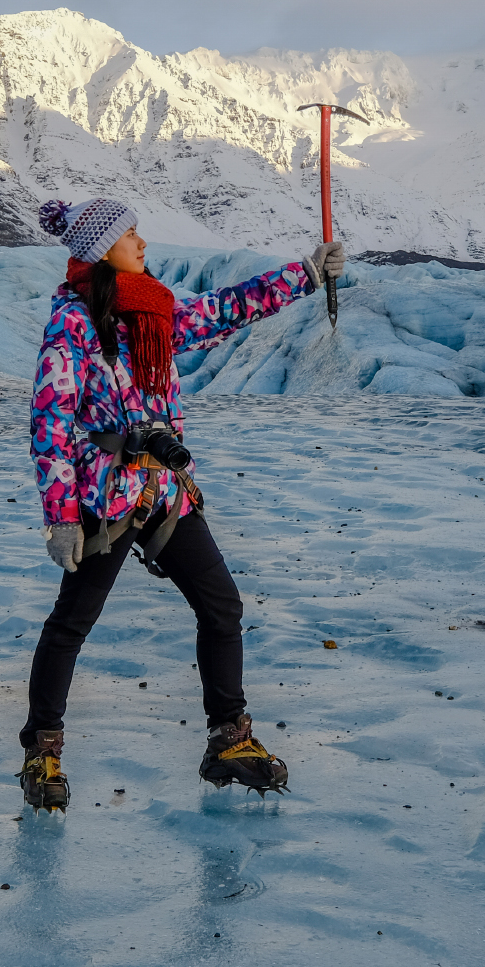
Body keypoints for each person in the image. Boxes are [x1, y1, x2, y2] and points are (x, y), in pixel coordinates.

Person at [19, 196, 345, 809]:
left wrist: (304, 273)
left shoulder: (155, 312)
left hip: (164, 491)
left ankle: (228, 740)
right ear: (101, 251)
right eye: (131, 236)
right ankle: (43, 753)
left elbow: (224, 311)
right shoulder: (73, 323)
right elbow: (51, 424)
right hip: (109, 497)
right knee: (72, 624)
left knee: (221, 605)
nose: (143, 244)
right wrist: (61, 515)